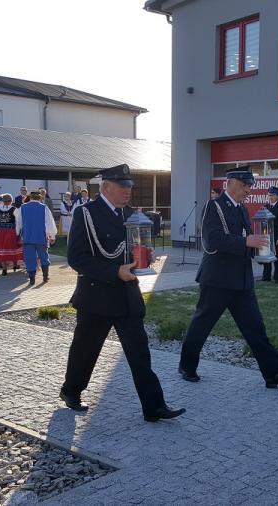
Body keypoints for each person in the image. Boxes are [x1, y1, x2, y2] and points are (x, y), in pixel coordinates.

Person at [61, 163, 184, 422]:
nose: (127, 191)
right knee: (86, 349)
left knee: (140, 353)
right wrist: (114, 271)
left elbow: (132, 249)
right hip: (97, 296)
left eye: (129, 186)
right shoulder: (87, 213)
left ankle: (154, 406)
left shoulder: (130, 214)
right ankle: (71, 391)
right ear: (106, 187)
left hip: (127, 295)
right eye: (122, 186)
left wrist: (144, 257)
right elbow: (77, 258)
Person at [179, 168, 278, 388]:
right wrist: (246, 242)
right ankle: (187, 366)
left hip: (241, 279)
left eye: (250, 186)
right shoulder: (214, 206)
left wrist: (262, 251)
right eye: (245, 185)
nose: (248, 190)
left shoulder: (243, 209)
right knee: (202, 324)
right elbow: (212, 239)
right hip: (217, 279)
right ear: (230, 183)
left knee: (255, 327)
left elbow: (248, 239)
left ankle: (274, 373)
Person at [17, 190, 57, 285]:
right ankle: (45, 277)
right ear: (40, 198)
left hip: (27, 237)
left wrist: (19, 235)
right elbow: (49, 223)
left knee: (30, 258)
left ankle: (32, 279)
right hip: (41, 236)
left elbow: (19, 223)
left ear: (30, 197)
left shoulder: (22, 207)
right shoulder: (44, 207)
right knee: (44, 256)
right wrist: (52, 235)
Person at [0, 194, 23, 276]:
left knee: (2, 249)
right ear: (11, 201)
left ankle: (4, 269)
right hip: (11, 231)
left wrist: (0, 224)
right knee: (13, 247)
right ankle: (15, 265)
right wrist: (17, 233)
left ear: (3, 201)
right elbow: (18, 222)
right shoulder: (14, 209)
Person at [261, 186, 278, 282]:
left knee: (277, 258)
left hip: (275, 237)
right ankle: (266, 276)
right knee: (266, 257)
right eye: (269, 195)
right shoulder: (266, 207)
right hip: (266, 236)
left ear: (277, 196)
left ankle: (277, 277)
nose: (270, 197)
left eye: (272, 195)